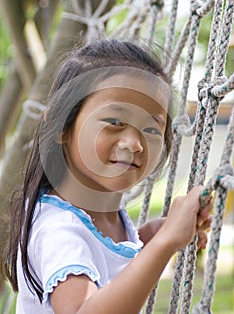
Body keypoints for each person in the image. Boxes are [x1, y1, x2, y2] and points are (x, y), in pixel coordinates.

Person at [3, 38, 212, 314]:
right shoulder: (58, 230)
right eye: (115, 122)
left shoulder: (97, 214)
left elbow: (105, 260)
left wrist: (151, 235)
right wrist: (165, 242)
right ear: (62, 126)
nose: (135, 144)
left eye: (151, 129)